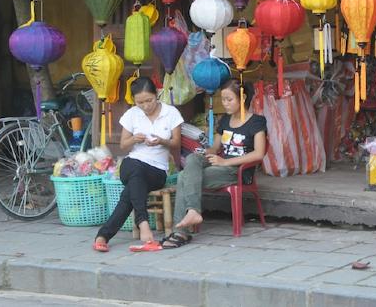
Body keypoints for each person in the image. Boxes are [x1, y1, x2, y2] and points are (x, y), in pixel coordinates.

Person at [163, 79, 266, 248]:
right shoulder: (225, 121)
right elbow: (215, 148)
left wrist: (225, 162)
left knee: (183, 176)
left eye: (229, 99)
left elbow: (259, 153)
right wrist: (205, 152)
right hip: (220, 163)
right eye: (223, 99)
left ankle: (181, 231)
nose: (224, 104)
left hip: (236, 171)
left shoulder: (256, 122)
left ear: (243, 97)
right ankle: (193, 212)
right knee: (192, 159)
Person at [93, 77, 182, 253]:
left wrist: (162, 142)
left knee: (130, 192)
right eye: (140, 102)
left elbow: (176, 143)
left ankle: (103, 236)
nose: (145, 106)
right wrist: (134, 138)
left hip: (157, 170)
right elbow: (123, 146)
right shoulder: (132, 114)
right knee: (134, 167)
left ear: (156, 95)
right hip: (132, 163)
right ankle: (143, 225)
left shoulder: (171, 113)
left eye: (149, 100)